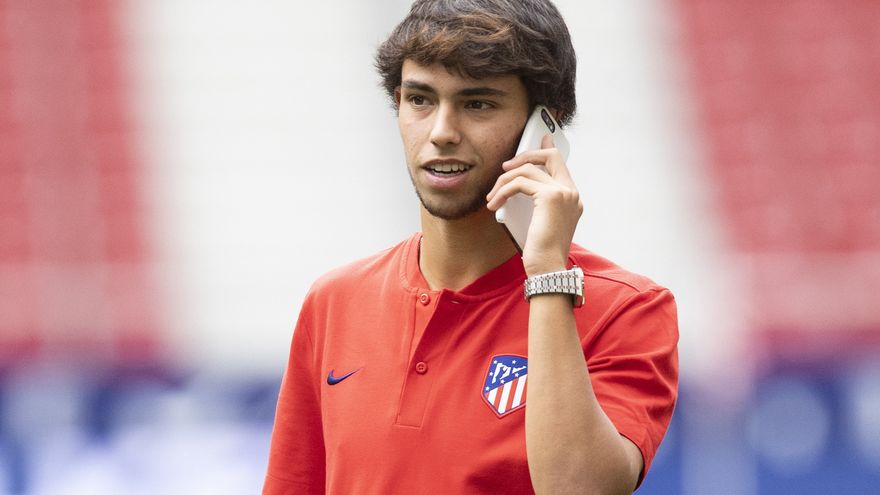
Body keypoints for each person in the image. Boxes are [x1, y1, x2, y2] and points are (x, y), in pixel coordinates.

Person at [263, 0, 678, 493]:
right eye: (420, 99)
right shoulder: (334, 301)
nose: (441, 133)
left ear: (544, 127)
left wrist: (547, 274)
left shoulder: (629, 310)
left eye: (477, 103)